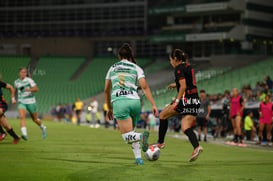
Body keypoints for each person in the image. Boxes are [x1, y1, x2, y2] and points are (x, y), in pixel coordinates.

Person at [104, 43, 158, 165]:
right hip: (135, 102)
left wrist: (109, 108)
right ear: (130, 55)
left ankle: (141, 137)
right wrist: (153, 105)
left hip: (120, 102)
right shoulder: (136, 67)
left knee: (127, 136)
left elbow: (106, 90)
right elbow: (144, 87)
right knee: (131, 133)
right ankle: (138, 159)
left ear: (119, 56)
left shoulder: (112, 68)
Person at [154, 49, 203, 162]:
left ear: (175, 59)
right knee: (185, 127)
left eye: (170, 59)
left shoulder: (178, 69)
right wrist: (175, 84)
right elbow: (188, 83)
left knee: (162, 115)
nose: (170, 62)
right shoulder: (188, 66)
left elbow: (184, 86)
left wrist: (177, 100)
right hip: (195, 99)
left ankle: (160, 142)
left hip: (186, 99)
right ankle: (196, 147)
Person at [14, 67, 46, 140]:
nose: (23, 73)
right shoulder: (16, 82)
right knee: (22, 117)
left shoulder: (29, 80)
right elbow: (14, 89)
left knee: (34, 119)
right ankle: (24, 134)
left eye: (24, 72)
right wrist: (13, 98)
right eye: (22, 72)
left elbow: (36, 89)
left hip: (31, 102)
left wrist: (28, 89)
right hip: (21, 102)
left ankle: (43, 127)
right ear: (19, 73)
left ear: (26, 73)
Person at [0, 76, 20, 144]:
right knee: (5, 125)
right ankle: (16, 137)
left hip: (2, 105)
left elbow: (11, 87)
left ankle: (2, 133)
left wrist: (13, 98)